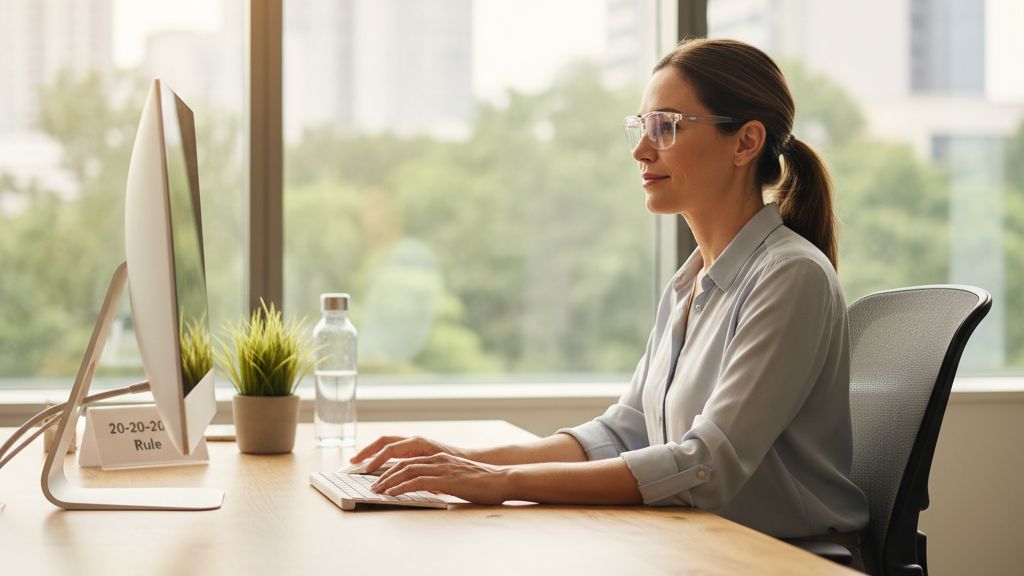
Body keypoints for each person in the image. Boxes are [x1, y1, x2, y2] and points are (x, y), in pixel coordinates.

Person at [351, 37, 869, 563]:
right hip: (696, 547)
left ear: (745, 142)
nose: (642, 150)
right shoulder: (690, 285)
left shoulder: (791, 276)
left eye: (665, 127)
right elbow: (625, 432)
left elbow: (706, 464)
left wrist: (501, 481)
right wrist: (464, 461)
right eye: (640, 127)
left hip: (780, 559)